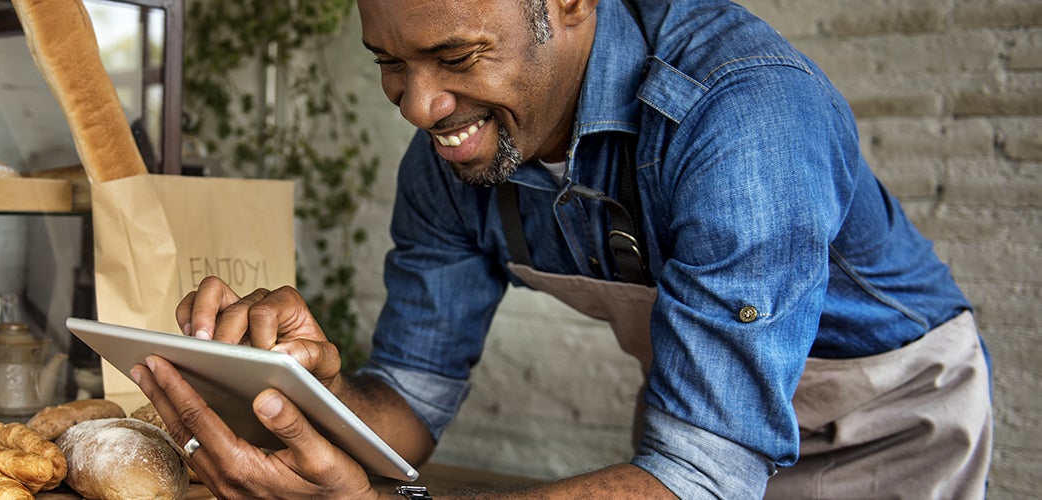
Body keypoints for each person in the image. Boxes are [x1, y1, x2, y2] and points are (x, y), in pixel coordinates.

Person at [130, 0, 994, 497]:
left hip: (890, 419)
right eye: (388, 62)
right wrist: (296, 394)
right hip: (696, 434)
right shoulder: (454, 154)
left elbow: (700, 478)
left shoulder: (742, 115)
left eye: (455, 55)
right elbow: (410, 405)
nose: (419, 106)